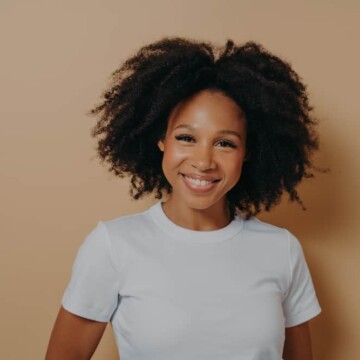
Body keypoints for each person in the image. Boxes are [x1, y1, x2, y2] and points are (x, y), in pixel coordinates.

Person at [45, 37, 323, 360]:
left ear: (248, 152)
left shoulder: (282, 251)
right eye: (186, 138)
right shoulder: (112, 246)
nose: (203, 161)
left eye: (226, 144)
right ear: (161, 139)